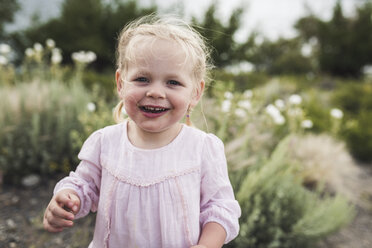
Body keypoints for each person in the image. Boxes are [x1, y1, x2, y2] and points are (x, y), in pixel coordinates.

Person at [43, 14, 241, 248]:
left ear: (195, 94)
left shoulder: (202, 148)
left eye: (173, 83)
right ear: (120, 83)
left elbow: (220, 208)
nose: (156, 92)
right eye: (142, 79)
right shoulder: (105, 142)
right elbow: (83, 185)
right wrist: (67, 200)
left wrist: (208, 245)